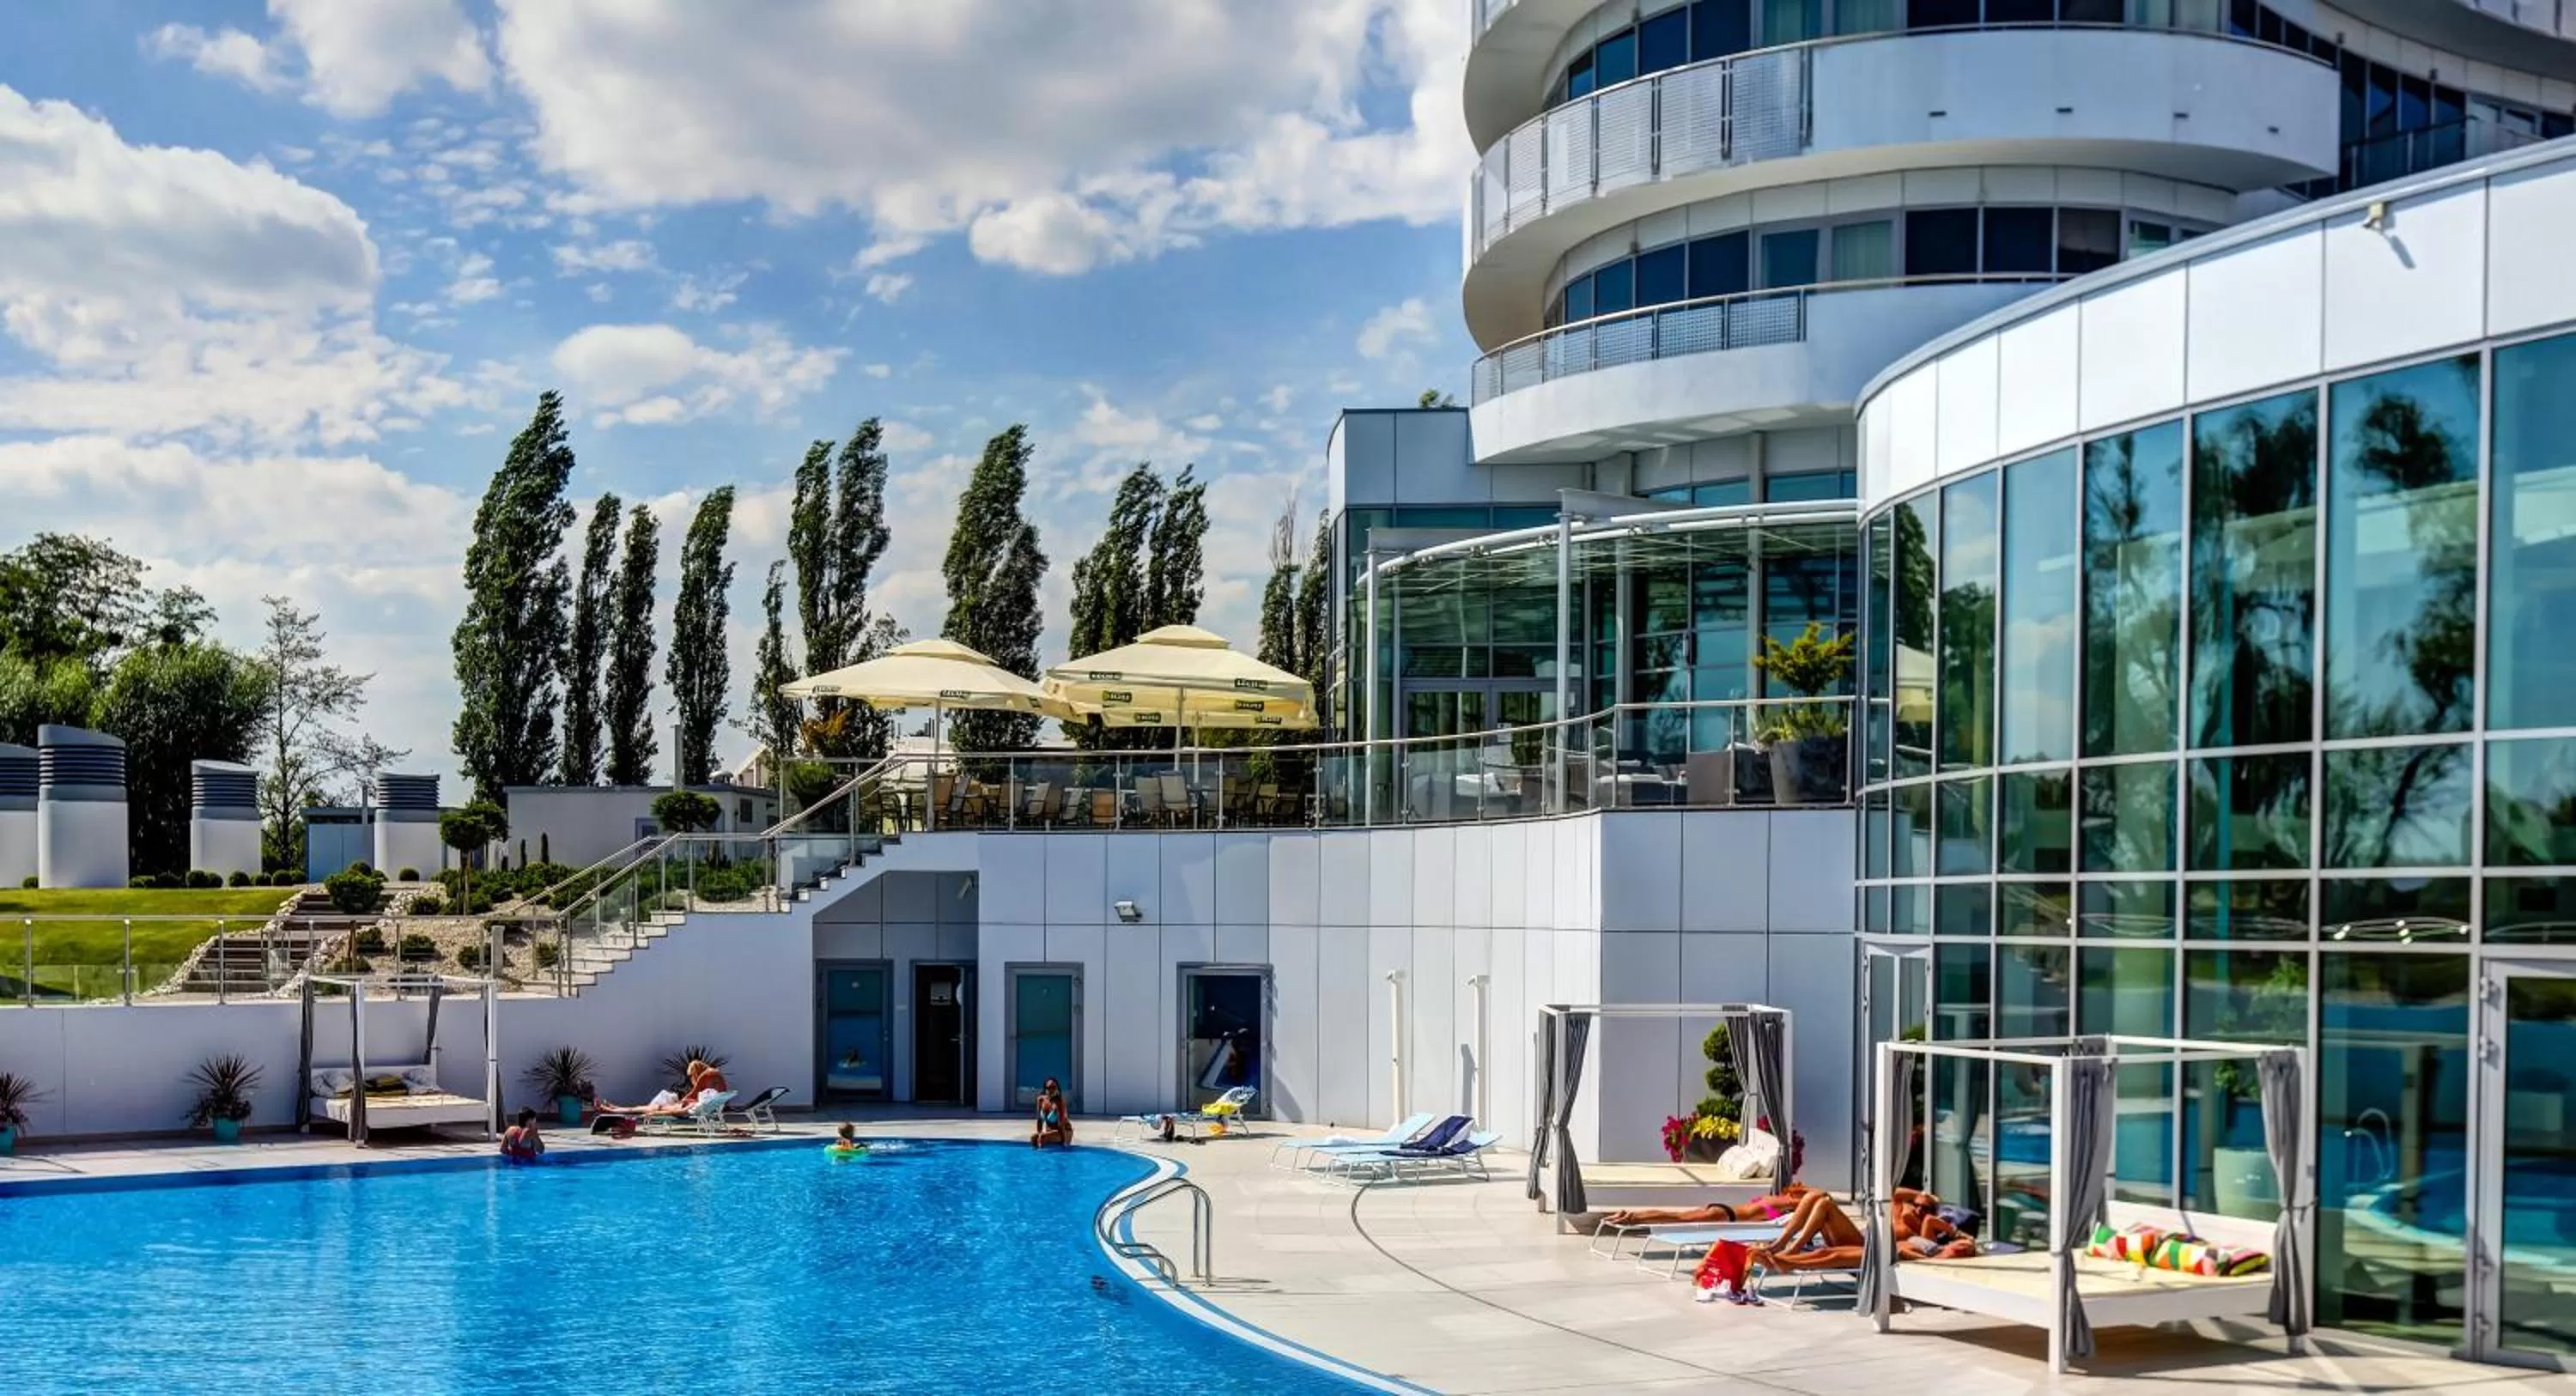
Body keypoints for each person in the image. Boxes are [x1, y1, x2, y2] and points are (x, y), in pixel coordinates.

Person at [1031, 1077, 1072, 1149]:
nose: (1051, 1090)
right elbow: (1039, 1121)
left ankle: (1042, 1157)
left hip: (1064, 1132)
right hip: (1050, 1131)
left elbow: (1061, 1125)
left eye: (1053, 1088)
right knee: (1033, 1138)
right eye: (1048, 1088)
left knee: (1042, 1138)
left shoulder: (1059, 1102)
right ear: (1045, 1089)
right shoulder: (1041, 1100)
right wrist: (1039, 1133)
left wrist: (1064, 1143)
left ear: (1057, 1089)